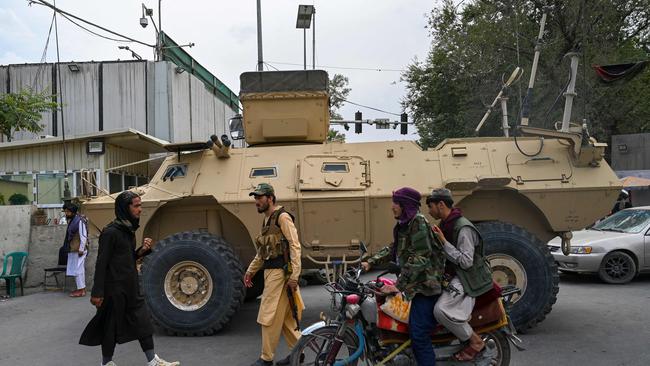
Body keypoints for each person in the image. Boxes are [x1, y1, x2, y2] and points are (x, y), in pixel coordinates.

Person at [79, 191, 179, 366]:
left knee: (143, 322)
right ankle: (107, 363)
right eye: (136, 206)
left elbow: (127, 258)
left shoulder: (128, 231)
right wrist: (97, 292)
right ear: (125, 208)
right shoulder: (110, 233)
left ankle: (153, 361)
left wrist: (142, 251)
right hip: (113, 290)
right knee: (110, 326)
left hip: (130, 287)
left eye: (140, 205)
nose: (140, 209)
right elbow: (102, 264)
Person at [361, 187, 445, 366]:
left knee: (418, 334)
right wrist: (370, 262)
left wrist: (399, 285)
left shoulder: (418, 222)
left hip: (425, 286)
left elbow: (421, 257)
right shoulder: (405, 224)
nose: (392, 207)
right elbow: (394, 248)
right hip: (413, 285)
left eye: (395, 203)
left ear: (405, 205)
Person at [427, 188, 493, 362]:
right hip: (453, 275)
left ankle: (475, 341)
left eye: (431, 206)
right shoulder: (445, 225)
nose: (429, 211)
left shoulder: (463, 228)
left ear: (441, 205)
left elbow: (466, 261)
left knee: (440, 310)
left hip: (468, 278)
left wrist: (443, 242)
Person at [244, 183, 304, 366]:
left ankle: (266, 358)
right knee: (286, 319)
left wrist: (294, 275)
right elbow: (263, 252)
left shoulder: (282, 217)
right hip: (272, 273)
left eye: (260, 197)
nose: (256, 201)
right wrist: (250, 271)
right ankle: (298, 352)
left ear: (270, 198)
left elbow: (295, 246)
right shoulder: (267, 220)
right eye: (255, 198)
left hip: (280, 274)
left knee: (267, 317)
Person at [63, 202, 88, 297]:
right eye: (65, 211)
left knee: (78, 270)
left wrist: (81, 248)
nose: (66, 213)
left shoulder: (80, 220)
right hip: (73, 248)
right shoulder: (72, 220)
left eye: (68, 211)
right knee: (76, 269)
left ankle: (81, 290)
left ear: (73, 212)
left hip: (79, 249)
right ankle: (81, 289)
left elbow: (83, 235)